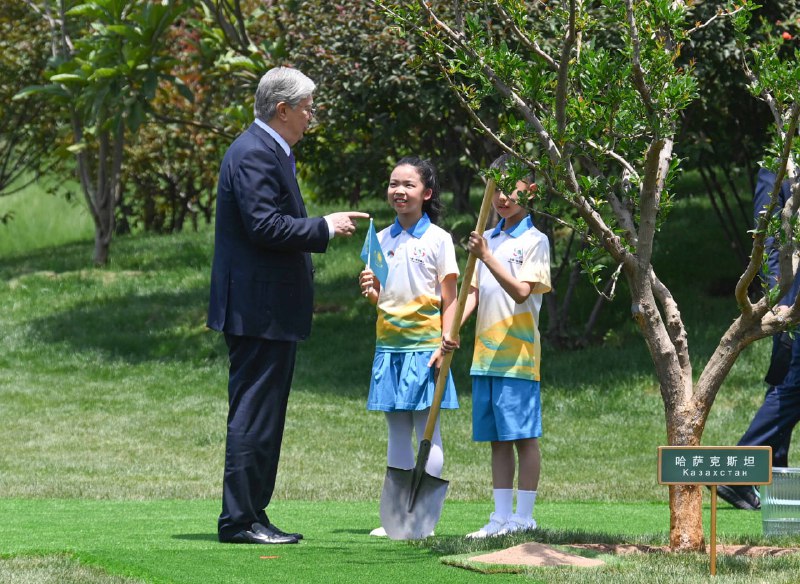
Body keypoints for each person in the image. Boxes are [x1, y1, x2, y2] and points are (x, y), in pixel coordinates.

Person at [207, 66, 369, 544]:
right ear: (282, 110)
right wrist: (323, 226)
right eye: (307, 107)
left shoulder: (267, 150)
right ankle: (239, 521)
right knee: (254, 414)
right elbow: (264, 226)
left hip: (269, 309)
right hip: (258, 311)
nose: (311, 116)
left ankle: (253, 515)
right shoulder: (254, 153)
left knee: (265, 414)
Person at [445, 154, 551, 538]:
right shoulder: (487, 238)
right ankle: (500, 517)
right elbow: (472, 290)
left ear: (531, 191)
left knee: (523, 436)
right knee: (497, 440)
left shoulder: (535, 241)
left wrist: (486, 257)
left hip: (518, 357)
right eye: (496, 190)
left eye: (511, 188)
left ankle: (525, 516)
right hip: (484, 356)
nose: (502, 197)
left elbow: (522, 292)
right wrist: (455, 325)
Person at [358, 157, 460, 537]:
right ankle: (398, 519)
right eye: (393, 183)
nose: (399, 191)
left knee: (426, 432)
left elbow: (450, 298)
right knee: (396, 432)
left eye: (408, 185)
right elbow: (383, 298)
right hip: (389, 347)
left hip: (425, 349)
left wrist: (447, 342)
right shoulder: (380, 239)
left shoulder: (439, 240)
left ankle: (422, 521)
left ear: (426, 193)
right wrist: (372, 293)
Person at [717, 167, 800, 511]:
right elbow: (766, 232)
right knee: (791, 384)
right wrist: (780, 286)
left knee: (788, 380)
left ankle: (773, 474)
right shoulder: (779, 161)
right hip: (792, 290)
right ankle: (747, 474)